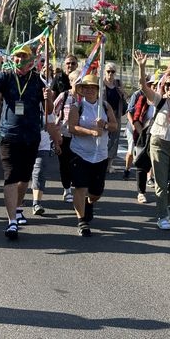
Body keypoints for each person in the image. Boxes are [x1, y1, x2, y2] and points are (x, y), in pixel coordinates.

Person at [0, 48, 52, 240]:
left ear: (30, 59)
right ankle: (12, 221)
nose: (19, 59)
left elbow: (48, 110)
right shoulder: (5, 77)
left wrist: (48, 97)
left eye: (23, 56)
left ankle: (18, 206)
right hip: (9, 135)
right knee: (11, 177)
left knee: (24, 179)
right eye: (17, 56)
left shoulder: (38, 80)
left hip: (31, 136)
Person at [135, 53, 170, 230]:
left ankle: (164, 204)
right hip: (158, 143)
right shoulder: (159, 100)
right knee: (160, 183)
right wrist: (142, 67)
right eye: (167, 84)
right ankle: (163, 216)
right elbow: (144, 88)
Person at [67, 74, 118, 236]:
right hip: (80, 153)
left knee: (96, 192)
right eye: (86, 88)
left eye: (92, 88)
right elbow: (71, 128)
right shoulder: (77, 107)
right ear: (82, 90)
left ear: (97, 90)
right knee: (80, 187)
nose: (89, 90)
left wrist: (105, 124)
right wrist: (90, 132)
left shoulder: (104, 106)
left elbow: (115, 126)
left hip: (100, 154)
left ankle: (89, 203)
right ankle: (82, 221)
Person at [128, 74, 158, 203]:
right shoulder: (143, 99)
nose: (156, 88)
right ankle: (141, 192)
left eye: (159, 85)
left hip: (160, 138)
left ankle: (161, 192)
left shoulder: (166, 101)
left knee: (159, 165)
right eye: (154, 85)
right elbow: (136, 119)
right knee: (142, 165)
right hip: (143, 136)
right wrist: (143, 135)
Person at [52, 68, 81, 203]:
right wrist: (56, 138)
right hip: (64, 135)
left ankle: (77, 188)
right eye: (77, 81)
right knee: (65, 164)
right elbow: (52, 113)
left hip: (80, 136)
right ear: (71, 82)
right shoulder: (64, 96)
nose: (80, 84)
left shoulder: (85, 98)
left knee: (78, 164)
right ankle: (67, 189)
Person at [103, 62, 127, 175]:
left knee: (115, 140)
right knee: (103, 138)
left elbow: (124, 97)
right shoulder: (101, 83)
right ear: (104, 72)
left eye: (113, 71)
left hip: (116, 115)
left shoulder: (118, 84)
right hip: (104, 114)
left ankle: (109, 165)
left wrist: (123, 93)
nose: (110, 74)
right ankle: (101, 163)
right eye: (108, 71)